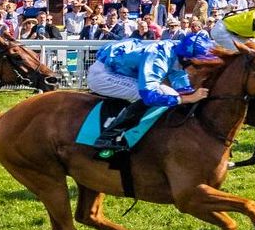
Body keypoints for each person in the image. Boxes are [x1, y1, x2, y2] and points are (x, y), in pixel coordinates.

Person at [87, 32, 219, 156]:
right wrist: (186, 99)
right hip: (103, 75)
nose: (199, 70)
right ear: (187, 59)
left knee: (171, 94)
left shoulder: (177, 56)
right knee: (148, 94)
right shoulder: (158, 56)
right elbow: (149, 95)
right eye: (199, 66)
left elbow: (182, 88)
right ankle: (107, 138)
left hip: (120, 71)